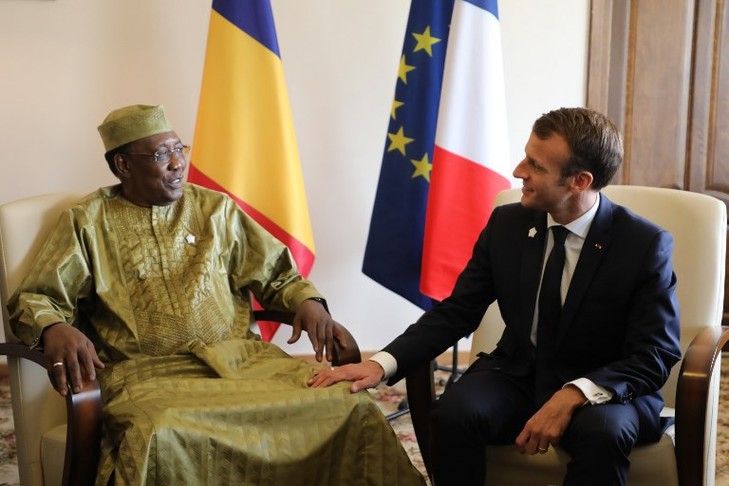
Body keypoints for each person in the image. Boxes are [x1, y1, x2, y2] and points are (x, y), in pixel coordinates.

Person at [8, 104, 425, 486]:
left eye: (179, 149)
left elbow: (277, 274)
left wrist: (307, 301)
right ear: (122, 165)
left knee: (348, 405)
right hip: (147, 374)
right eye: (160, 155)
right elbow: (38, 296)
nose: (177, 164)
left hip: (243, 362)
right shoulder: (87, 222)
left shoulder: (216, 211)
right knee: (161, 431)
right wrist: (53, 325)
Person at [310, 107, 681, 486]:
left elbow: (655, 354)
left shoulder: (643, 245)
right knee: (453, 415)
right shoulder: (508, 223)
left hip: (605, 390)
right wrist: (382, 363)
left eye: (535, 165)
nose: (519, 171)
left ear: (579, 181)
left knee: (604, 435)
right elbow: (458, 311)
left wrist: (574, 394)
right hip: (519, 372)